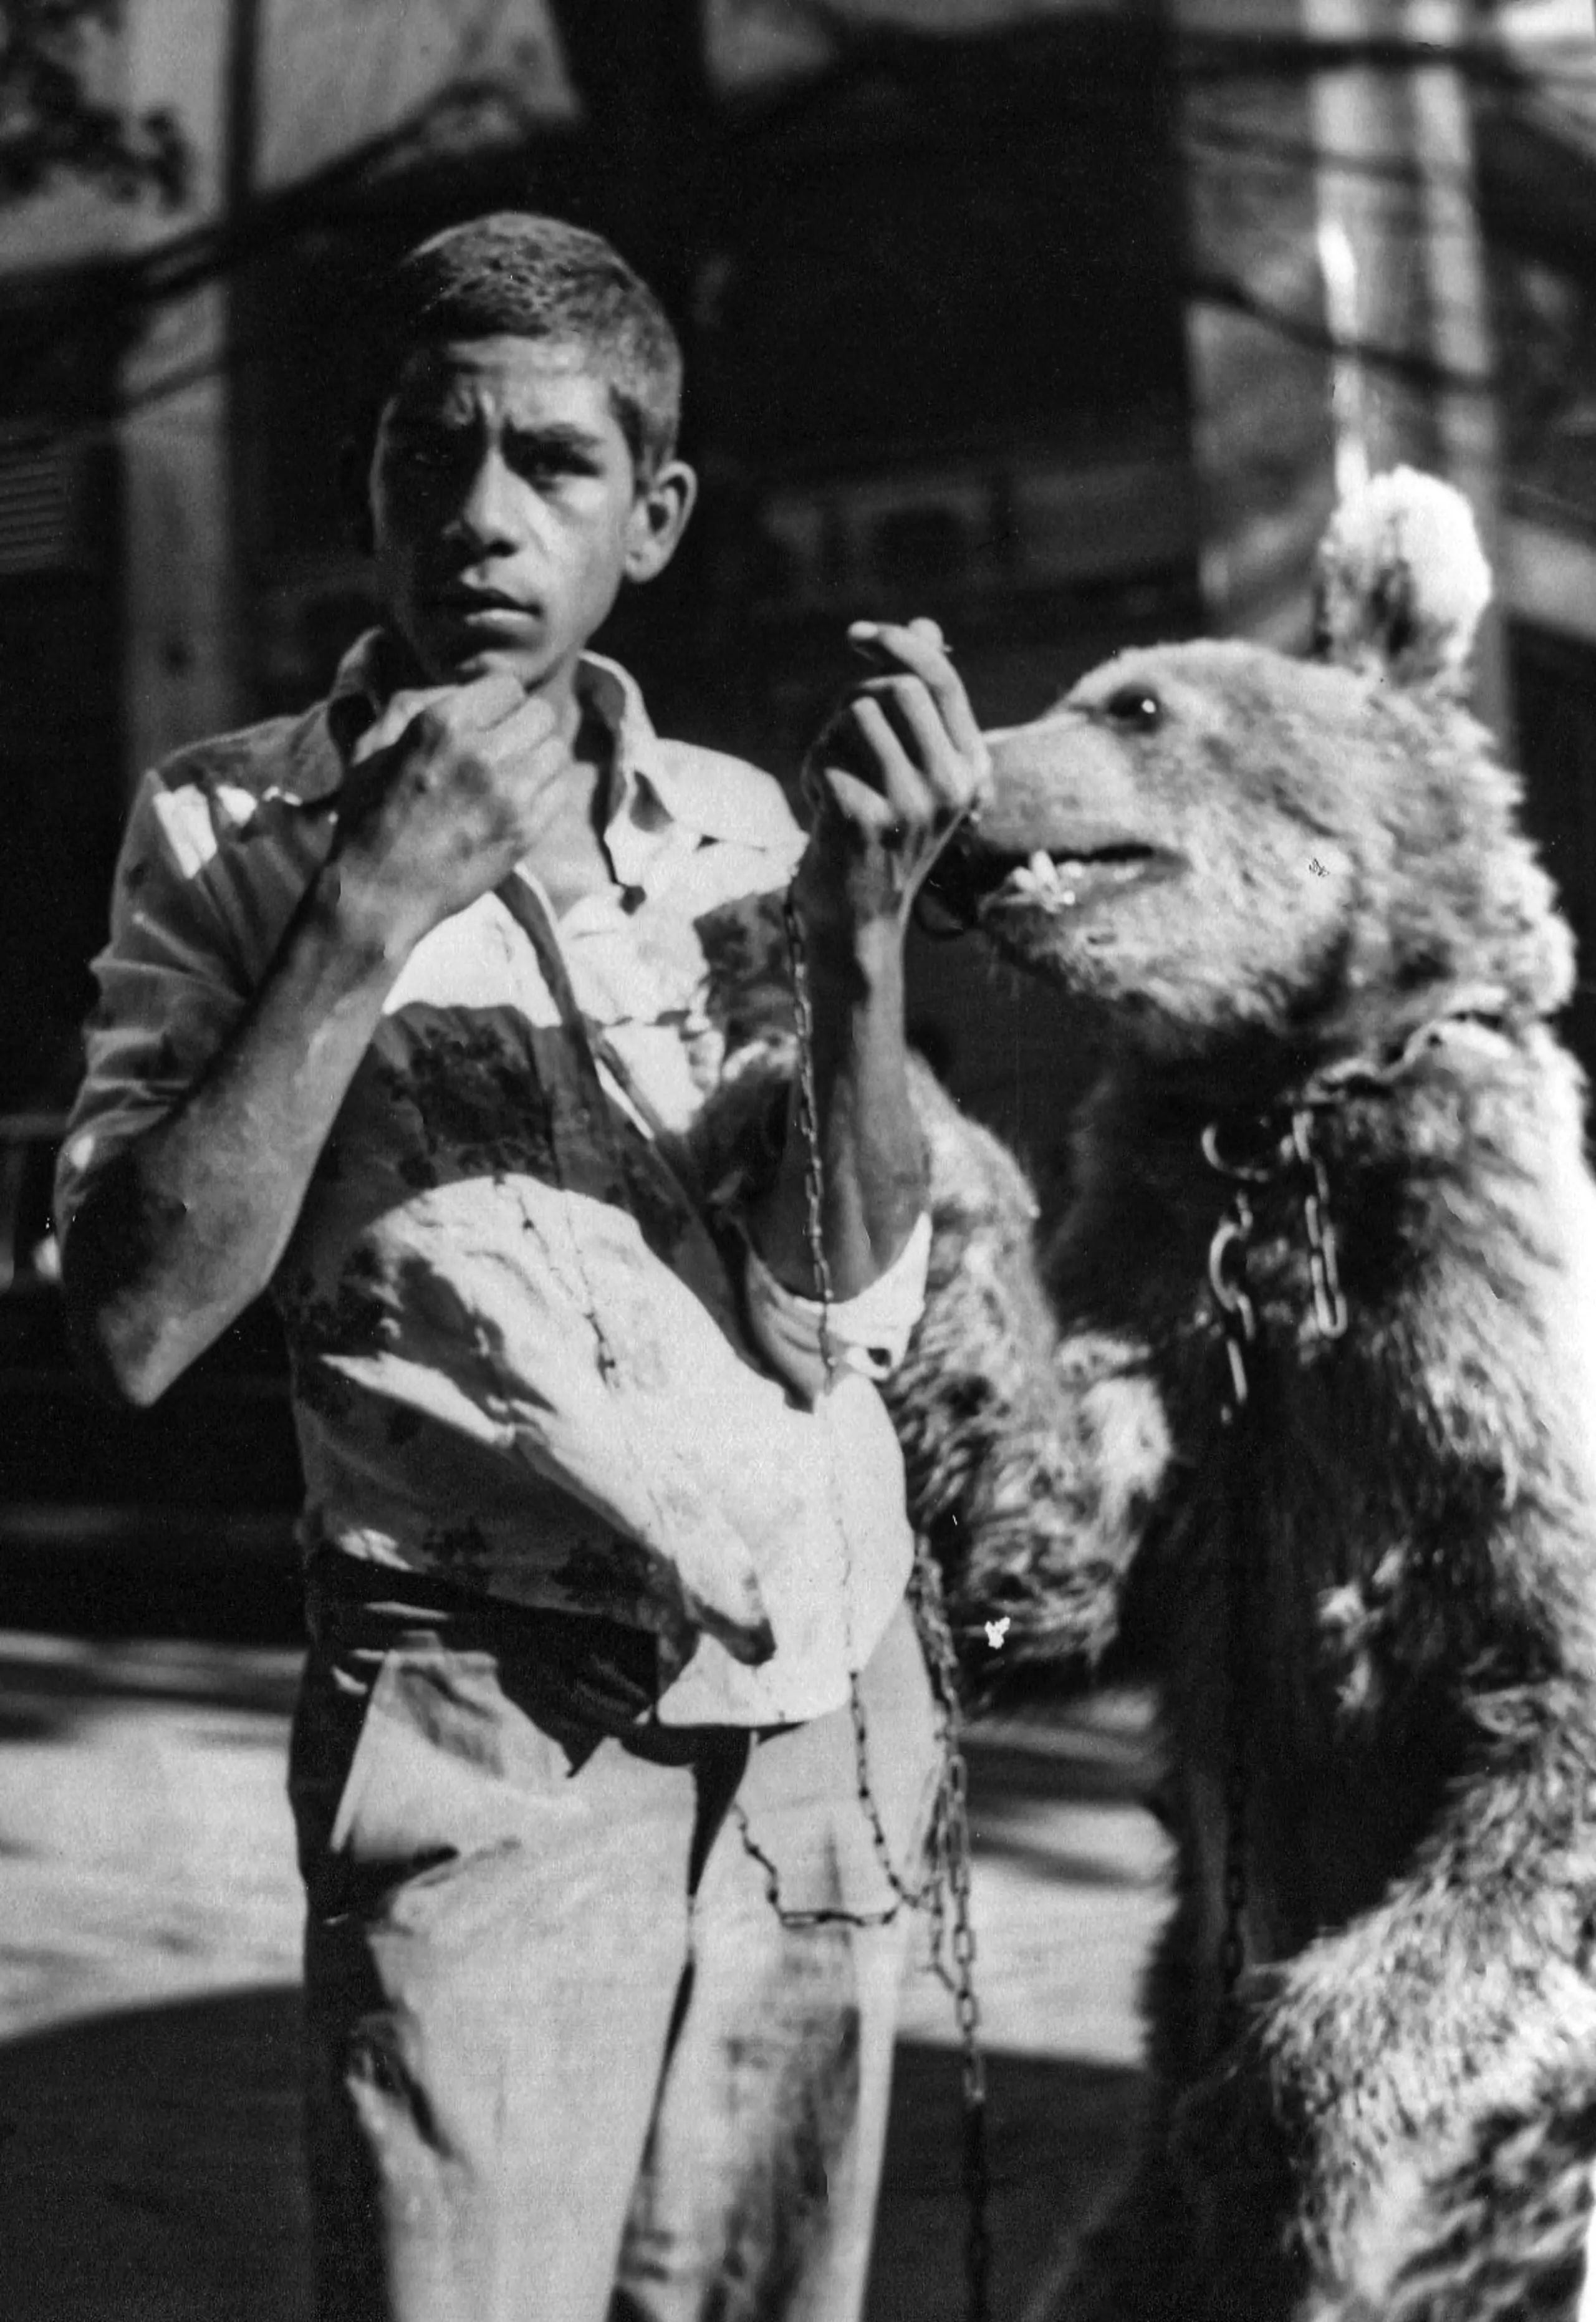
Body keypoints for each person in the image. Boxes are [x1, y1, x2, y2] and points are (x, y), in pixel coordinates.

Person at [55, 211, 989, 2321]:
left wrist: (859, 951)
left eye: (554, 465)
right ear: (371, 486)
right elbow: (130, 1318)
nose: (484, 516)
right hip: (487, 1731)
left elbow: (837, 1313)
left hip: (820, 1738)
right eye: (430, 454)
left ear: (649, 517)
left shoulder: (750, 827)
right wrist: (363, 913)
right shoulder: (228, 831)